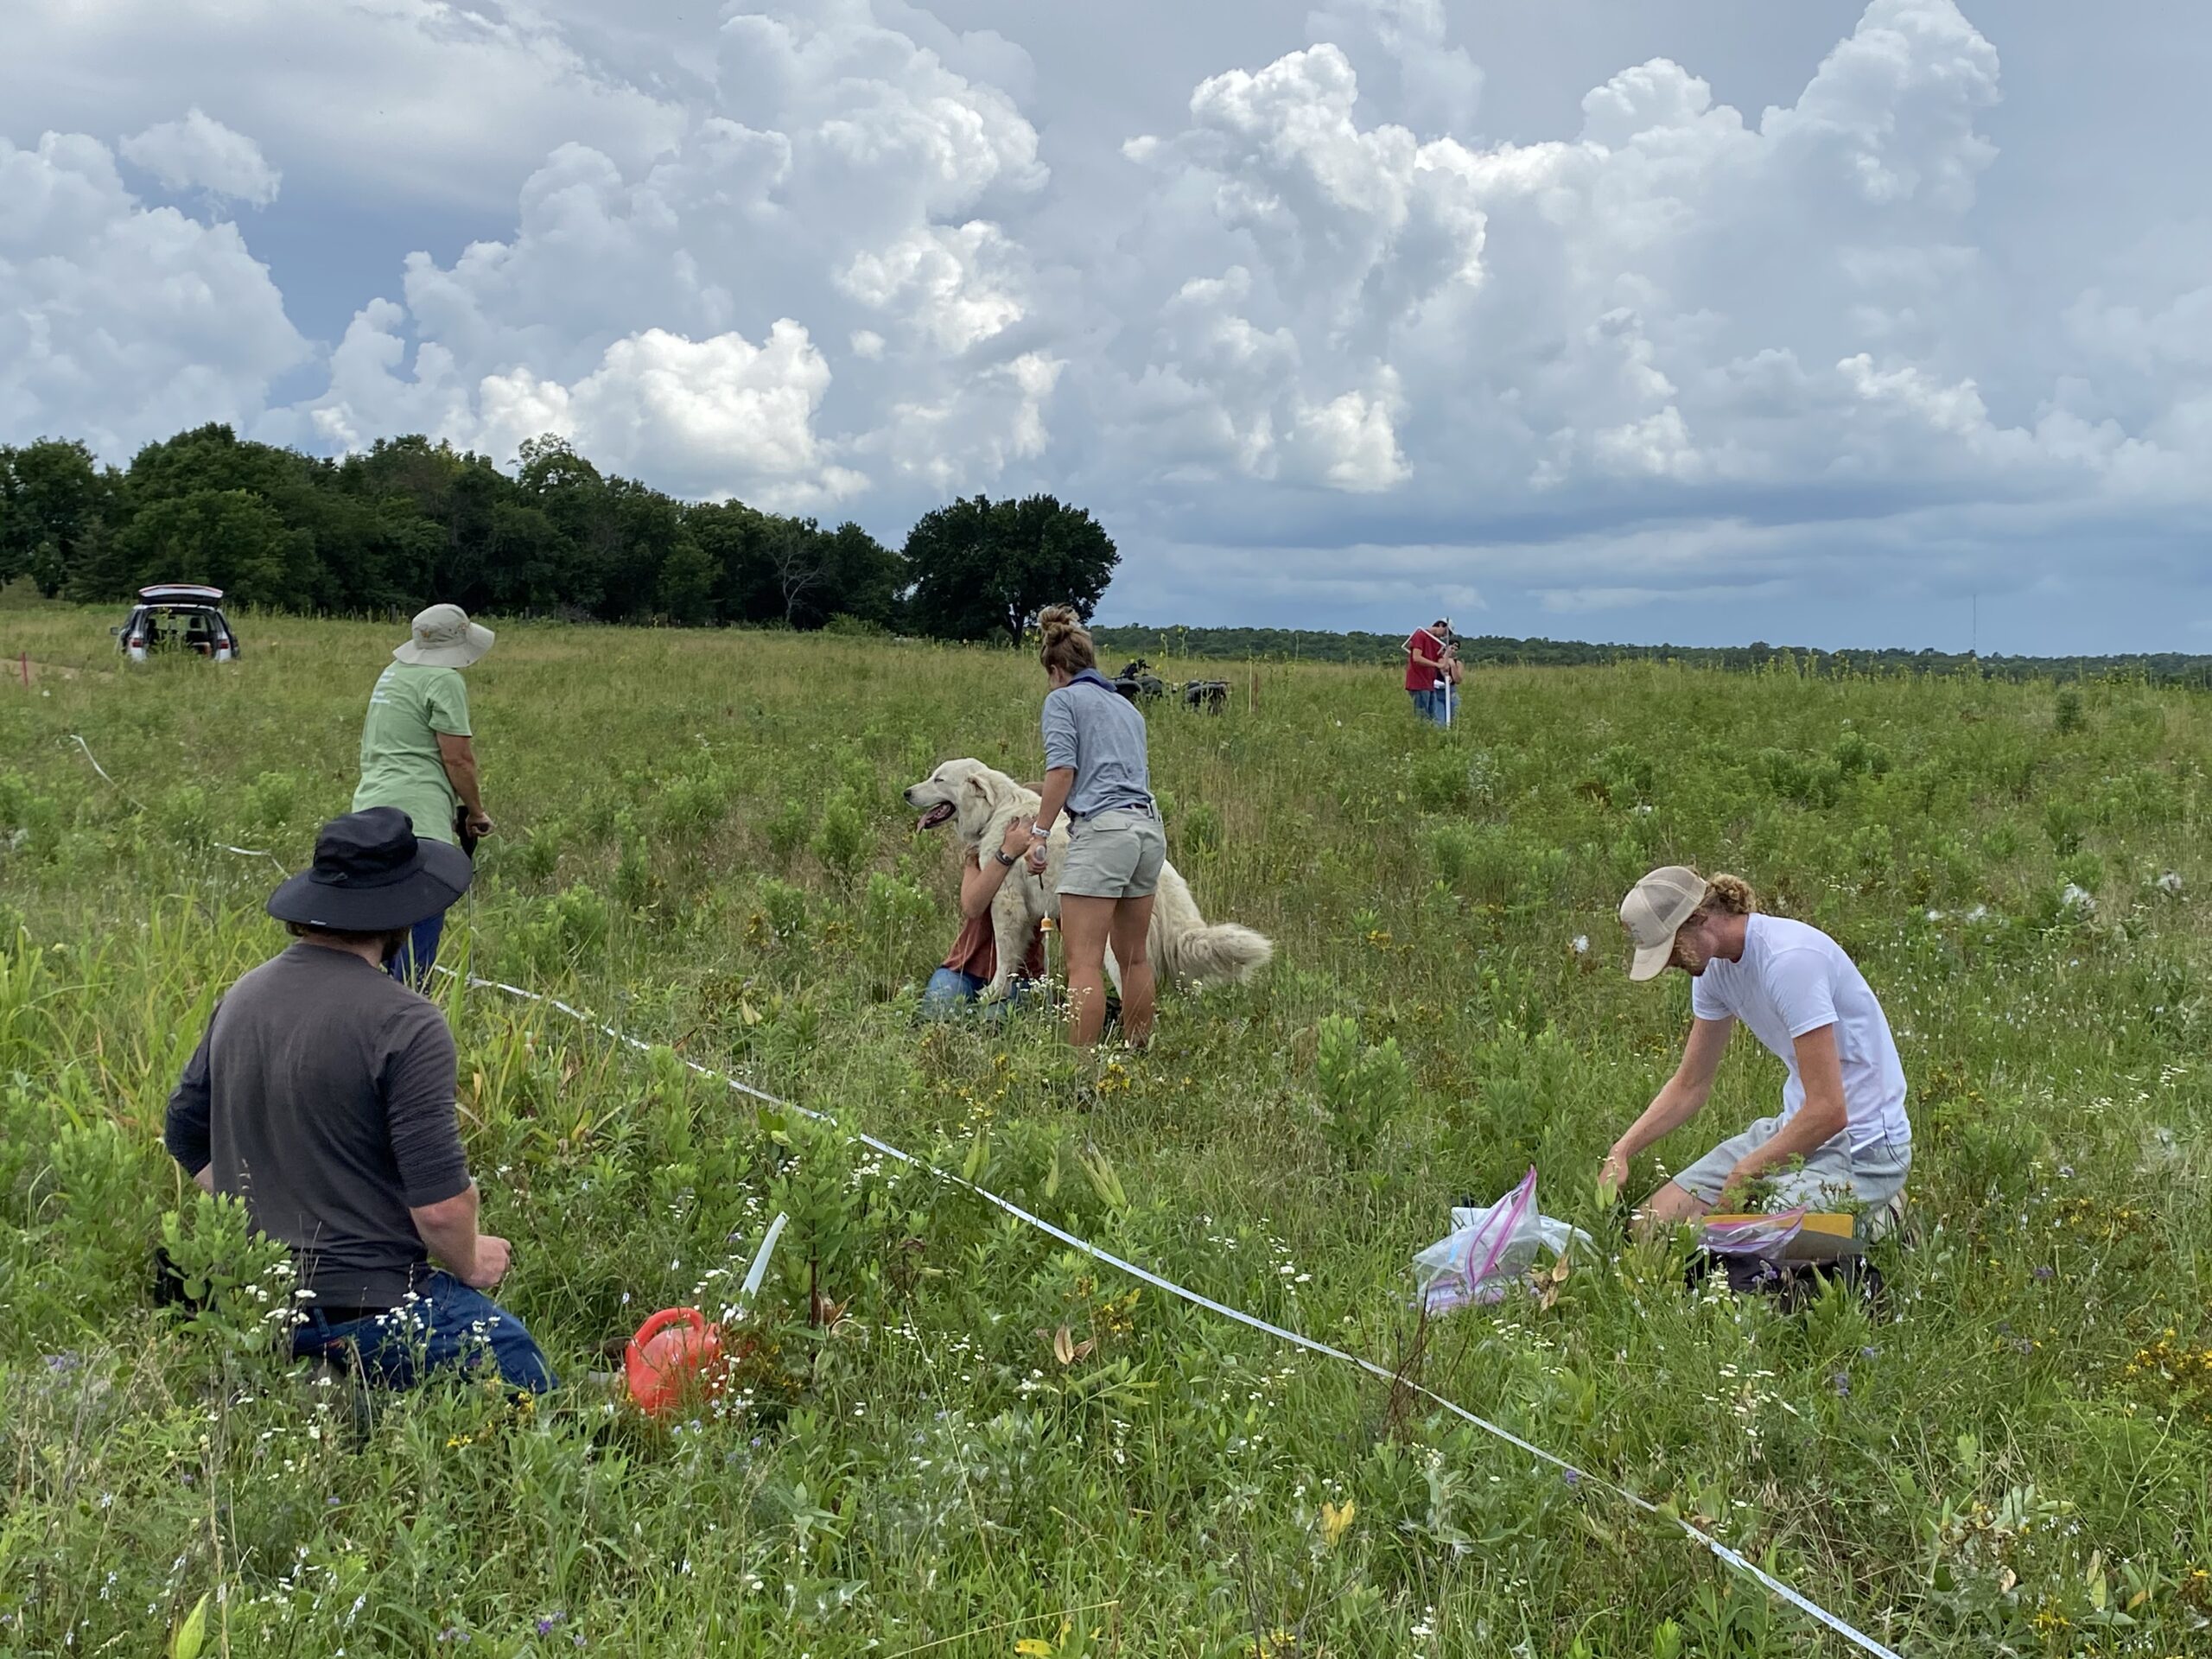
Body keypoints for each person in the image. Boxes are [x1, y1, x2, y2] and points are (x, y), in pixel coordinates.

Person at [163, 809, 555, 1393]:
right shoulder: (406, 1022)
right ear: (403, 910)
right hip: (372, 1305)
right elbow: (441, 1210)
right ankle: (350, 1391)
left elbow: (185, 1132)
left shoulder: (242, 997)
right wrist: (472, 1261)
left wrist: (261, 1208)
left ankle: (308, 1383)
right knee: (525, 1374)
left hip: (253, 1305)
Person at [1599, 867, 1912, 1236]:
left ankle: (1884, 1216)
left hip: (1865, 1146)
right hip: (1796, 1129)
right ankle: (1830, 1217)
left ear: (1698, 918)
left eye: (1669, 949)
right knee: (1647, 1230)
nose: (1668, 963)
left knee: (1753, 1236)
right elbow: (1690, 1085)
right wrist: (1621, 1150)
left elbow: (1830, 1110)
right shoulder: (1713, 971)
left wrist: (1746, 1173)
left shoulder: (1789, 961)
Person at [1025, 605, 1164, 1048]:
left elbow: (1062, 771)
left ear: (1057, 668)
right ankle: (1138, 1052)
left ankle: (1080, 1072)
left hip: (1103, 833)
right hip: (1145, 830)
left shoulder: (1062, 700)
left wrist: (1040, 834)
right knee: (1134, 958)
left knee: (1083, 962)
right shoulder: (1126, 707)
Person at [353, 603, 497, 985]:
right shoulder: (444, 679)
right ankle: (411, 1007)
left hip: (369, 810)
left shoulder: (393, 673)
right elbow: (458, 758)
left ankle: (374, 1001)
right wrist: (476, 813)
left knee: (382, 923)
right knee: (424, 911)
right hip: (418, 816)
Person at [921, 811, 1049, 1018]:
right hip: (965, 968)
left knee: (994, 1022)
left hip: (1020, 974)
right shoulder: (980, 854)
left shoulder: (1045, 864)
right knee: (937, 1014)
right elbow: (973, 905)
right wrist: (1007, 852)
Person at [1402, 617, 1449, 723]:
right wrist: (1437, 665)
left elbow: (1440, 660)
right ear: (1441, 625)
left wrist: (1445, 661)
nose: (1444, 635)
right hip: (1418, 682)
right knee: (1422, 717)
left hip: (1429, 683)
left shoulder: (1437, 643)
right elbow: (1417, 658)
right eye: (1446, 632)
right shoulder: (1420, 635)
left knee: (1431, 717)